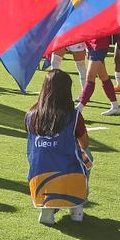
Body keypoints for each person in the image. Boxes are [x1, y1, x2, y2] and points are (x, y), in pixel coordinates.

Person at [26, 69, 91, 225]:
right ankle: (77, 207)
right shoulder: (74, 115)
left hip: (38, 174)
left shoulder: (30, 114)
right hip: (68, 170)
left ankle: (46, 210)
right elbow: (85, 143)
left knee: (45, 156)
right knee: (87, 156)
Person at [78, 35, 120, 116]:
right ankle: (115, 106)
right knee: (103, 76)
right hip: (91, 42)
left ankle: (79, 108)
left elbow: (115, 27)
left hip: (99, 44)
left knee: (90, 77)